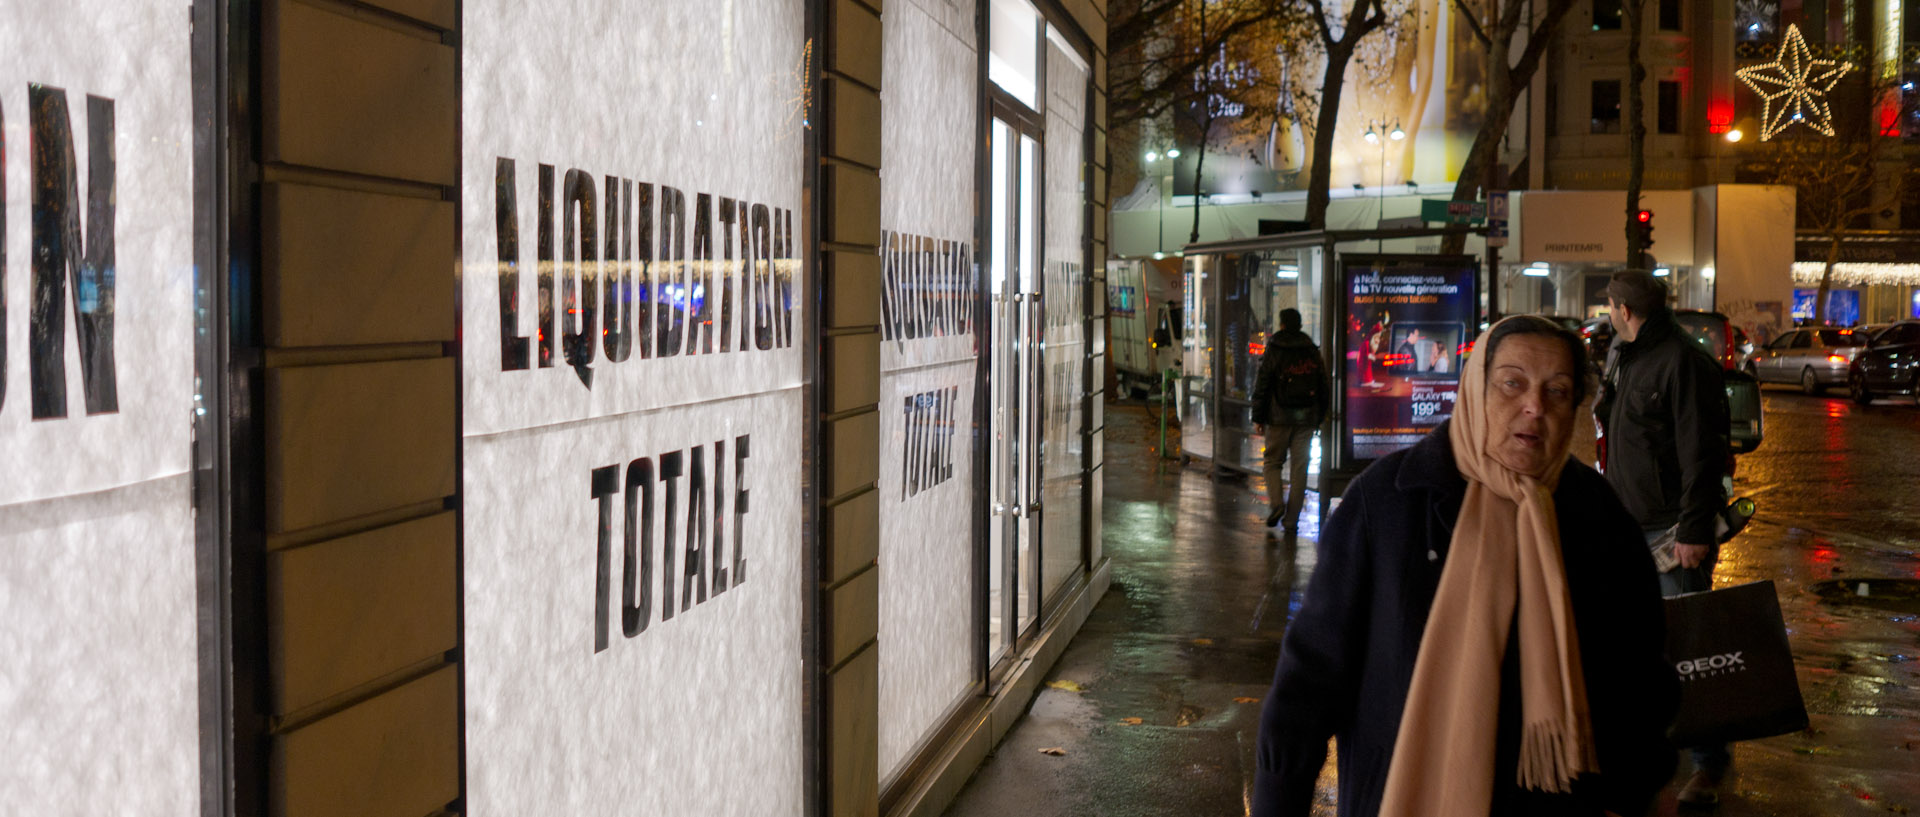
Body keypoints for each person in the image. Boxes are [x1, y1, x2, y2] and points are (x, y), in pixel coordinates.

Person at [1253, 316, 1678, 817]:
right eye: (1512, 383)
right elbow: (1309, 680)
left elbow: (1640, 680)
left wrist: (1638, 790)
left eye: (1558, 392)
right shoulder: (1386, 504)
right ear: (1475, 389)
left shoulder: (1598, 516)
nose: (1534, 407)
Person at [1596, 269, 1731, 807]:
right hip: (1629, 525)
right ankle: (1653, 753)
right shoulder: (1624, 355)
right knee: (1636, 649)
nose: (1608, 315)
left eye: (1609, 307)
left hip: (1674, 532)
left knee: (1690, 651)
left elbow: (1703, 451)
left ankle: (1709, 763)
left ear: (1624, 309)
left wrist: (1695, 530)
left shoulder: (1681, 361)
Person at [1251, 308, 1329, 534]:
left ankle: (1277, 504)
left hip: (1278, 417)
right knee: (1299, 469)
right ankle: (1291, 521)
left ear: (1282, 325)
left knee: (1273, 462)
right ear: (1301, 325)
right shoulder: (1311, 350)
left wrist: (1259, 416)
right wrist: (1320, 416)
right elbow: (1323, 385)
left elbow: (1263, 382)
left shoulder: (1275, 348)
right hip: (1306, 418)